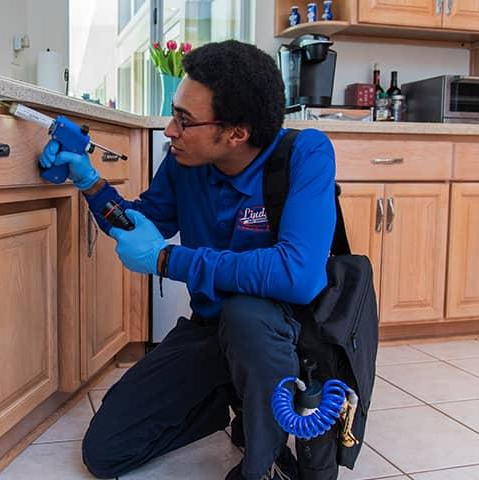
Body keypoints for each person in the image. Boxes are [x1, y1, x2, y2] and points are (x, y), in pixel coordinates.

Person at [39, 40, 336, 480]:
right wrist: (88, 179)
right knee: (107, 451)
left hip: (283, 333)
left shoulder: (305, 154)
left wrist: (168, 261)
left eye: (184, 120)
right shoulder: (185, 161)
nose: (169, 131)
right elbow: (140, 228)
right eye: (174, 113)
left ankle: (264, 461)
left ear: (237, 132)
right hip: (211, 329)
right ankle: (231, 398)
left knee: (246, 315)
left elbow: (299, 275)